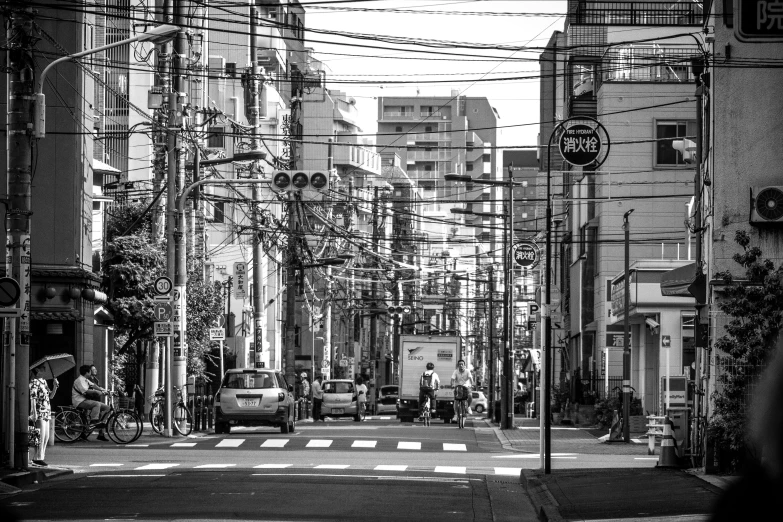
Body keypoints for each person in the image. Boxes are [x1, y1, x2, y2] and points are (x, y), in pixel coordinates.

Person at [29, 365, 59, 466]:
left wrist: (55, 386)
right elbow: (32, 397)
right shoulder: (34, 382)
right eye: (43, 369)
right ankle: (36, 458)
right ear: (37, 370)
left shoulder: (44, 381)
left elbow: (50, 396)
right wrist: (33, 412)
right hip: (39, 410)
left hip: (47, 410)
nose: (45, 370)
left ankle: (41, 457)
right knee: (40, 435)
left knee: (46, 436)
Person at [72, 364, 110, 441]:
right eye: (90, 371)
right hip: (79, 401)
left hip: (85, 400)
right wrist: (97, 392)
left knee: (107, 408)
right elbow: (86, 391)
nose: (91, 372)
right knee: (97, 404)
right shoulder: (79, 380)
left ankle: (101, 423)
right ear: (87, 372)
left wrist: (103, 390)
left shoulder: (86, 379)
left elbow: (93, 385)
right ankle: (94, 422)